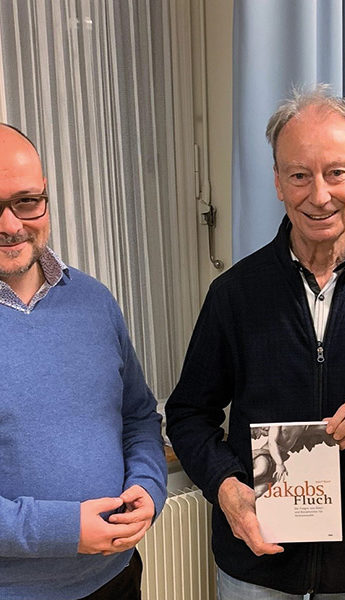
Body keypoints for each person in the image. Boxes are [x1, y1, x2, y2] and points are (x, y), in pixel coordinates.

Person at [166, 85, 345, 599]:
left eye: (336, 172)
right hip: (256, 566)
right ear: (278, 182)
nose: (319, 195)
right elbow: (188, 414)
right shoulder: (234, 296)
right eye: (299, 175)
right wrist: (227, 488)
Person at [0, 123, 167, 600]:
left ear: (46, 198)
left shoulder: (94, 300)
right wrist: (65, 529)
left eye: (26, 202)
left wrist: (148, 487)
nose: (12, 225)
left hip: (116, 578)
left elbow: (137, 415)